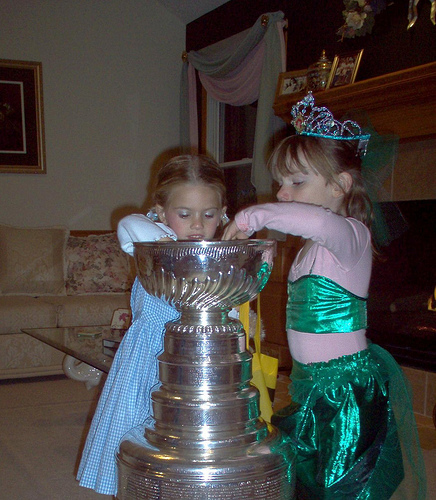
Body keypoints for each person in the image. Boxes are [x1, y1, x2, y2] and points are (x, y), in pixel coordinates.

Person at [223, 93, 426, 499]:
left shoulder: (351, 235)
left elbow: (313, 220)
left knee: (342, 483)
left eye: (296, 182)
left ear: (340, 185)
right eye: (280, 183)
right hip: (311, 384)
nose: (282, 193)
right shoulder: (313, 250)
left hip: (347, 387)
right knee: (308, 473)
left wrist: (254, 215)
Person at [77, 154, 228, 496]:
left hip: (198, 366)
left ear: (222, 214)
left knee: (191, 446)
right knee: (138, 441)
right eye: (184, 214)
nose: (197, 226)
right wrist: (170, 250)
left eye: (209, 215)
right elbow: (128, 223)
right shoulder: (150, 244)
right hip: (148, 363)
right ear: (160, 212)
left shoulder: (218, 257)